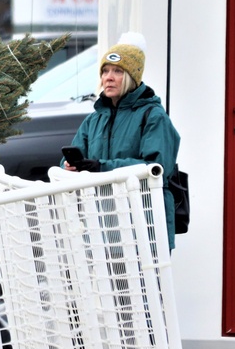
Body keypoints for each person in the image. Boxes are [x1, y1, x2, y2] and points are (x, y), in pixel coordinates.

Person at [62, 32, 181, 250]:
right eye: (105, 71)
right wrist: (69, 167)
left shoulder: (154, 116)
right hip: (102, 226)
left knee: (146, 284)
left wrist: (101, 167)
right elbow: (70, 159)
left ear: (131, 77)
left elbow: (156, 168)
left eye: (117, 71)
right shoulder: (94, 119)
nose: (108, 77)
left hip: (145, 226)